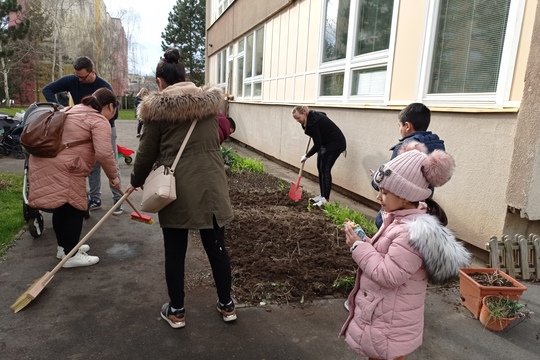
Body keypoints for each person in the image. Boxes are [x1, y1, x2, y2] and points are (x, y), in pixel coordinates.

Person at [126, 49, 236, 329]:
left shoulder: (157, 110)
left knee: (175, 251)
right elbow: (215, 138)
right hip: (211, 185)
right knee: (217, 248)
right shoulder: (211, 105)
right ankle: (227, 305)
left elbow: (146, 153)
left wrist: (135, 180)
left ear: (161, 82)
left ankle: (176, 311)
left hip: (176, 187)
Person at [340, 142, 470, 360]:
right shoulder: (398, 219)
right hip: (386, 314)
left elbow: (389, 274)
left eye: (384, 192)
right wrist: (364, 239)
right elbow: (387, 254)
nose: (378, 197)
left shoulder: (411, 232)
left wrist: (358, 247)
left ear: (404, 195)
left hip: (390, 321)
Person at [28, 88, 121, 268]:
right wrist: (114, 178)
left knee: (62, 207)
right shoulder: (98, 119)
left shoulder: (71, 109)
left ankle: (64, 249)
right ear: (110, 106)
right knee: (75, 209)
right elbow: (104, 153)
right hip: (67, 168)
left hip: (45, 161)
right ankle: (71, 255)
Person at [42, 56, 123, 215]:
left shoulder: (104, 87)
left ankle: (118, 200)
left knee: (110, 161)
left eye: (83, 77)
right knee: (92, 165)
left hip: (106, 126)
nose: (79, 80)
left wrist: (98, 122)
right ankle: (95, 198)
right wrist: (58, 107)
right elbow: (47, 89)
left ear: (93, 72)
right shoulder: (73, 80)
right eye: (77, 76)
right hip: (84, 129)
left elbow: (114, 114)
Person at [373, 103, 445, 229]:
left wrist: (376, 177)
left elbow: (390, 181)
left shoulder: (406, 147)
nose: (399, 129)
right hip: (421, 204)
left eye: (399, 126)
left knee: (383, 223)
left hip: (400, 204)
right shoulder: (436, 146)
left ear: (407, 126)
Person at [292, 105, 346, 206]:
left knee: (325, 170)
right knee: (320, 168)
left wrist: (307, 155)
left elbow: (317, 144)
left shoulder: (312, 123)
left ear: (304, 113)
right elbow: (323, 114)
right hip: (326, 143)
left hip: (335, 144)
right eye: (295, 119)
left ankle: (326, 199)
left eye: (298, 118)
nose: (297, 121)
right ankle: (322, 195)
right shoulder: (311, 117)